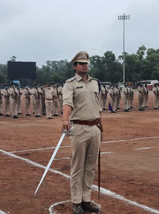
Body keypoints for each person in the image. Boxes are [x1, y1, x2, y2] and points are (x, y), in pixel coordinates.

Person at [62, 51, 102, 214]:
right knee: (78, 166)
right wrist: (65, 120)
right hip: (78, 128)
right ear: (75, 66)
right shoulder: (69, 84)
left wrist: (101, 125)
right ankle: (77, 201)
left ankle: (86, 199)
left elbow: (97, 105)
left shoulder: (95, 83)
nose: (86, 66)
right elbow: (67, 103)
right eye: (82, 63)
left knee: (91, 166)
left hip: (95, 128)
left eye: (87, 63)